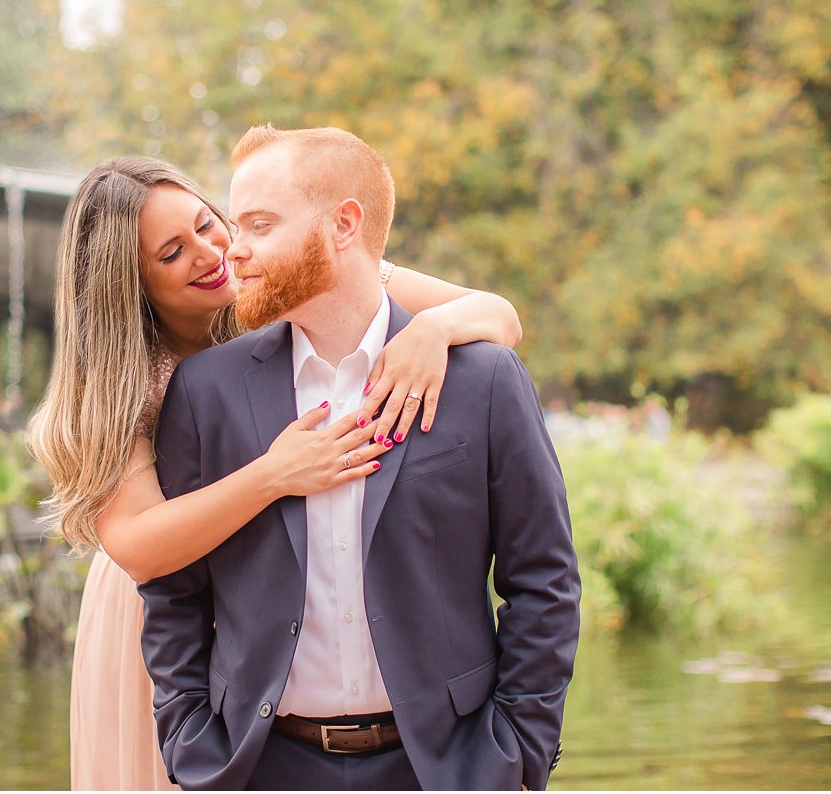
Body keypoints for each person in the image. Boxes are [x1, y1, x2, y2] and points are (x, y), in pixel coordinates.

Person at [27, 156, 525, 791]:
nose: (213, 253)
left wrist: (433, 329)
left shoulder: (279, 280)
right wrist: (273, 474)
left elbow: (500, 316)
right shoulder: (121, 383)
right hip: (166, 614)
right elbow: (139, 547)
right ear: (128, 284)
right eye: (174, 252)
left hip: (280, 598)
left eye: (210, 225)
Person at [139, 126, 580, 790]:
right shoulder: (206, 393)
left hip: (449, 769)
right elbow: (175, 593)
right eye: (236, 223)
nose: (234, 248)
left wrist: (515, 751)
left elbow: (544, 579)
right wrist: (192, 742)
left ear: (345, 224)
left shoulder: (485, 380)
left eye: (259, 223)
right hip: (261, 768)